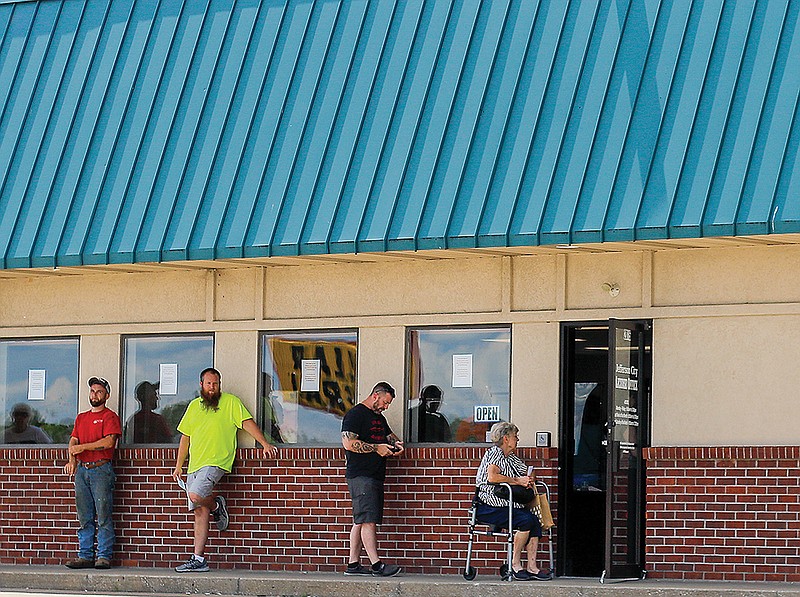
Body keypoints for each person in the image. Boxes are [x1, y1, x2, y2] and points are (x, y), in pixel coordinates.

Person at [172, 367, 278, 573]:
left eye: (216, 384)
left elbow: (247, 424)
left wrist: (264, 443)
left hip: (217, 461)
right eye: (209, 383)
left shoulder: (231, 402)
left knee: (195, 497)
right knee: (199, 511)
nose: (213, 388)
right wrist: (178, 466)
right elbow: (185, 438)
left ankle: (216, 505)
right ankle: (199, 559)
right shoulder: (194, 406)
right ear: (201, 384)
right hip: (195, 464)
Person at [341, 381, 404, 577]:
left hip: (375, 475)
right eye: (385, 402)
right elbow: (349, 443)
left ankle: (353, 564)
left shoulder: (379, 418)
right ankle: (377, 565)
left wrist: (396, 444)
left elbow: (388, 435)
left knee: (360, 520)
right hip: (361, 475)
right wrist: (377, 448)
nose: (386, 407)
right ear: (375, 395)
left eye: (388, 404)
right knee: (368, 519)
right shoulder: (355, 414)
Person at [474, 421, 551, 581]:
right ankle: (514, 564)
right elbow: (492, 477)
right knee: (525, 521)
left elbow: (529, 472)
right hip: (490, 506)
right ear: (506, 438)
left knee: (535, 522)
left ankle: (532, 567)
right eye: (515, 436)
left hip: (508, 504)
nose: (518, 439)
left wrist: (529, 479)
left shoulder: (511, 457)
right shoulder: (494, 453)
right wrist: (517, 481)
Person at [63, 376, 122, 570]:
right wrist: (72, 460)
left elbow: (108, 442)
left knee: (103, 514)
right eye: (92, 391)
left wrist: (83, 448)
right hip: (82, 471)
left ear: (107, 395)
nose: (94, 394)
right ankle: (85, 555)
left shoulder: (109, 416)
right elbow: (73, 441)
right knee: (84, 515)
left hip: (101, 469)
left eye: (99, 391)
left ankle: (103, 556)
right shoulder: (81, 417)